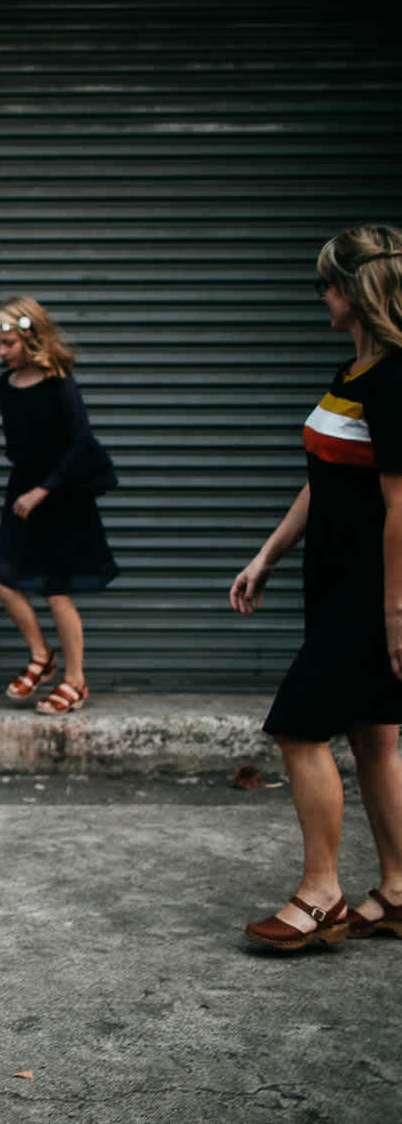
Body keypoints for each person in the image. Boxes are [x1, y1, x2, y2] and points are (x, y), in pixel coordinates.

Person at [231, 224, 402, 950]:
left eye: (325, 284)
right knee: (373, 735)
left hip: (371, 592)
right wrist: (269, 553)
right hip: (335, 584)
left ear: (355, 292)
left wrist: (396, 610)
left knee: (298, 727)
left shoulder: (395, 380)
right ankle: (397, 893)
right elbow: (325, 481)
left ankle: (321, 895)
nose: (320, 297)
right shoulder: (354, 373)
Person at [0, 296, 118, 716]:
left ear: (30, 337)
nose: (1, 352)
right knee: (3, 579)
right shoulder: (3, 387)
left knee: (57, 590)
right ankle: (42, 656)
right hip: (23, 489)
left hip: (59, 491)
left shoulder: (60, 381)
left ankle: (75, 681)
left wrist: (43, 489)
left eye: (9, 343)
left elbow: (80, 444)